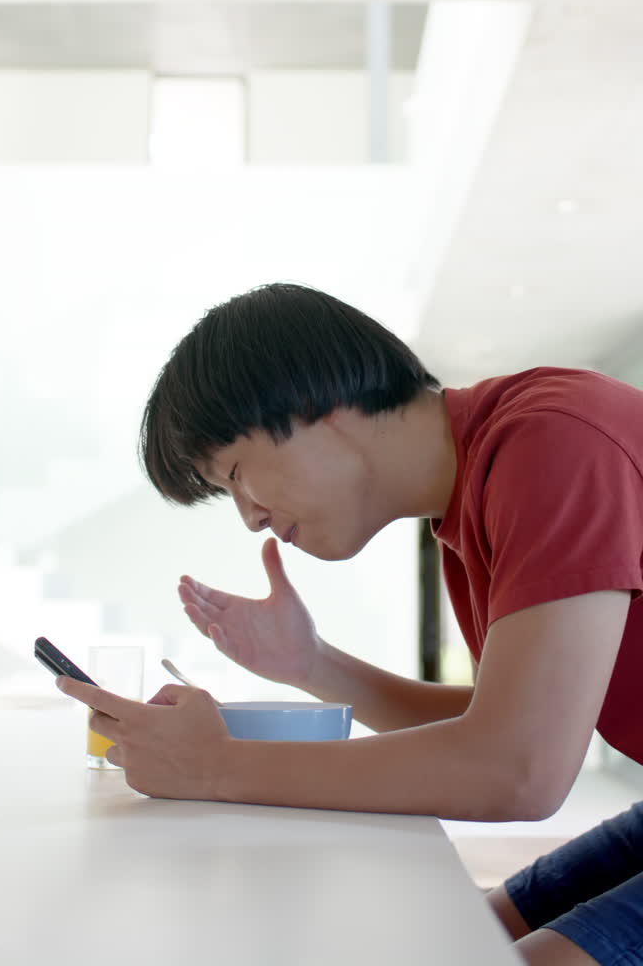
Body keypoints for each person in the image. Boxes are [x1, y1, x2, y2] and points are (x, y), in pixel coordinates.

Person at [58, 283, 643, 966]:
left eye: (238, 474)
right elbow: (513, 725)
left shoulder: (552, 442)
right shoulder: (478, 494)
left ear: (313, 405)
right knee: (463, 935)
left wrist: (216, 766)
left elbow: (519, 770)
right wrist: (314, 665)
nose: (250, 516)